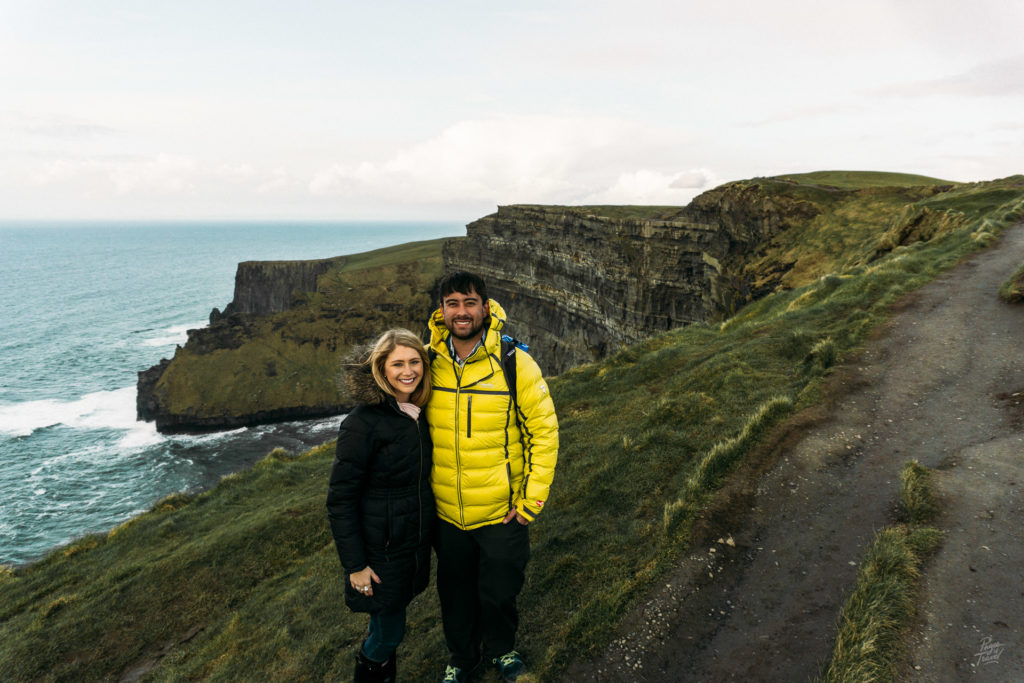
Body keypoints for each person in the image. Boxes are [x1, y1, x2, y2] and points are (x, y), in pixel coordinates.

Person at [426, 271, 559, 683]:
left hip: (503, 511)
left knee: (499, 592)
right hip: (447, 514)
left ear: (485, 307)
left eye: (469, 303)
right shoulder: (428, 364)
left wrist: (530, 503)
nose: (461, 312)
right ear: (441, 311)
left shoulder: (513, 362)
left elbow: (544, 432)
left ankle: (502, 650)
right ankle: (462, 659)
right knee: (455, 596)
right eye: (452, 304)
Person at [326, 328, 435, 683]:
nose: (408, 371)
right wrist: (355, 565)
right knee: (389, 633)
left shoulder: (414, 412)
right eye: (398, 363)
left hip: (407, 545)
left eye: (415, 361)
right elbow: (340, 501)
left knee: (384, 626)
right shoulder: (361, 423)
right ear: (380, 369)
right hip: (381, 551)